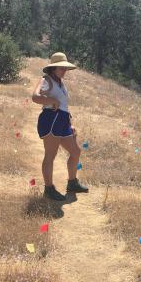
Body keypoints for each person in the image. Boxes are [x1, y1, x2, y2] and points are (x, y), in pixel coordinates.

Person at [31, 52, 89, 201]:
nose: (64, 71)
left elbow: (63, 105)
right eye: (61, 68)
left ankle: (72, 183)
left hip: (62, 120)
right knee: (50, 155)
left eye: (65, 68)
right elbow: (35, 97)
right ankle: (49, 189)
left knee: (75, 151)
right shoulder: (46, 80)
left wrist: (70, 123)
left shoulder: (60, 83)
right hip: (51, 119)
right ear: (53, 68)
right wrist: (50, 99)